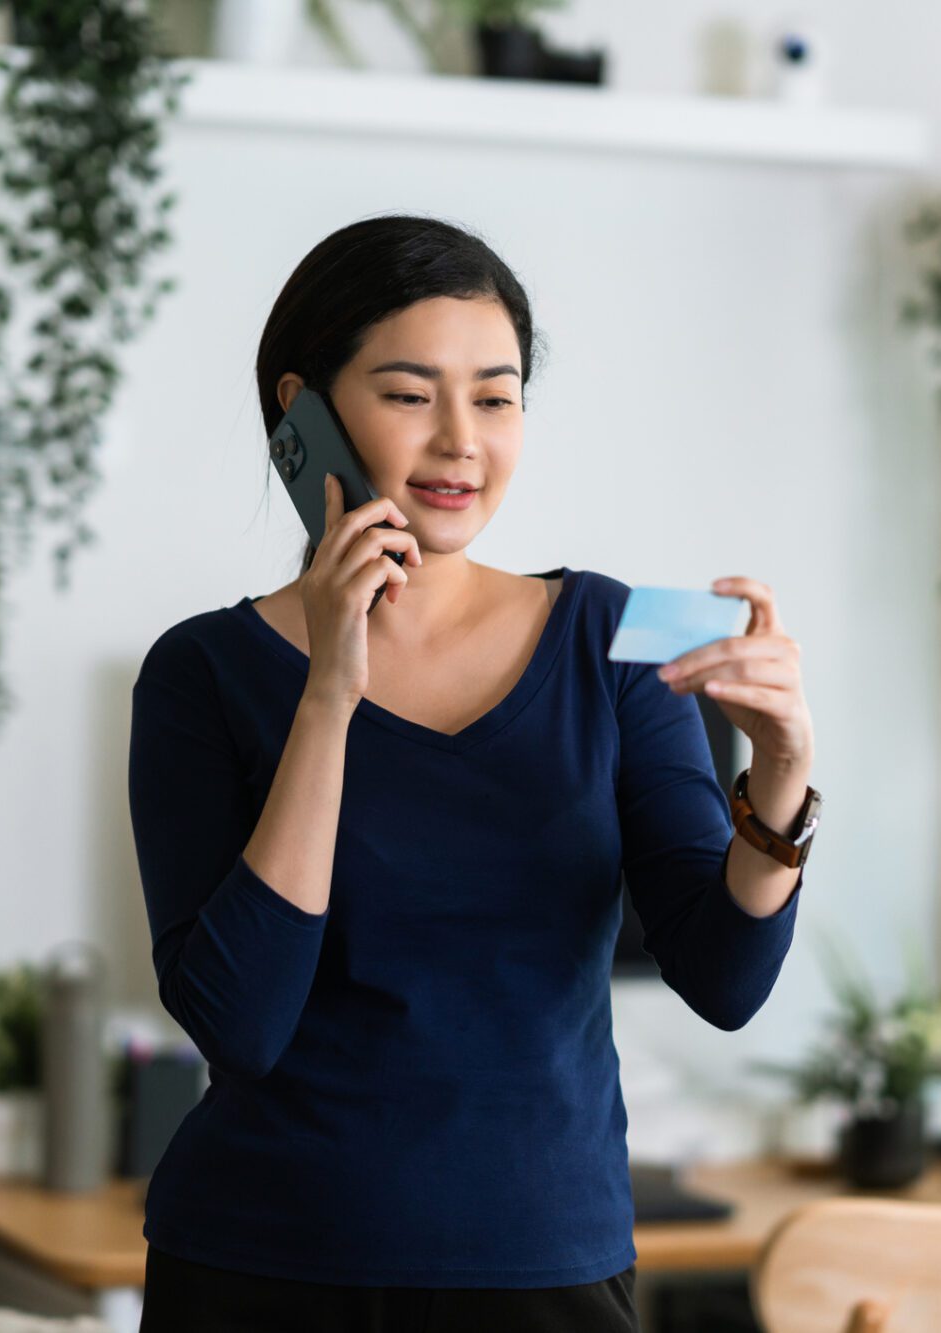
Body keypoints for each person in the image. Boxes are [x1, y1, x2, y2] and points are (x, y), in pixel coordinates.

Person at [127, 214, 819, 1332]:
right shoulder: (201, 672)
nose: (460, 441)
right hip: (260, 1267)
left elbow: (724, 980)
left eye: (496, 399)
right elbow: (241, 1024)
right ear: (301, 412)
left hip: (545, 1269)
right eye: (410, 394)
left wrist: (780, 776)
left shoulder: (614, 637)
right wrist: (330, 693)